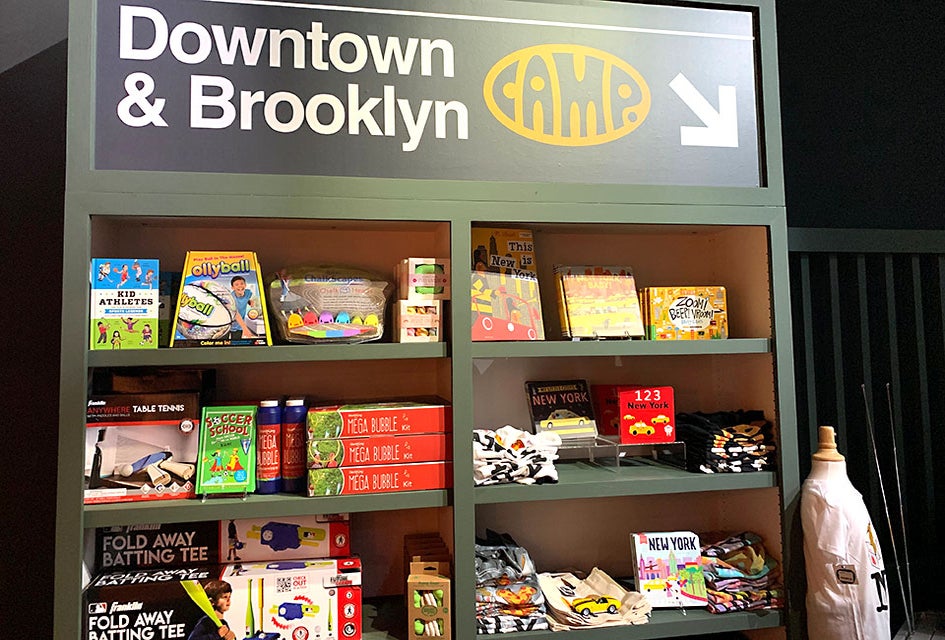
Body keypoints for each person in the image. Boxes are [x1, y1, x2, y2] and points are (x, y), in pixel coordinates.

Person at [801, 426, 890, 639]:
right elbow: (837, 566)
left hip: (868, 611)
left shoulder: (842, 491)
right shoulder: (825, 497)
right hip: (848, 622)